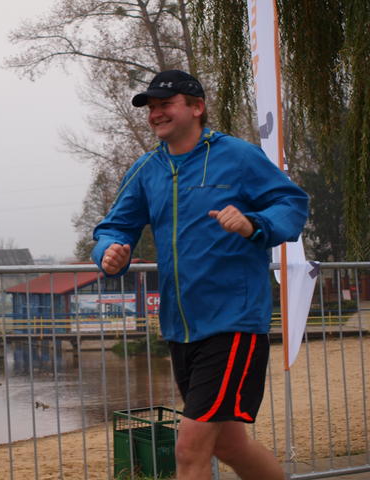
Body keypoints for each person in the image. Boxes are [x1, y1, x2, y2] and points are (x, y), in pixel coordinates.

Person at [91, 69, 308, 480]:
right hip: (180, 328)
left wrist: (254, 223)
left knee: (189, 447)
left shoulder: (237, 156)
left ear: (196, 107)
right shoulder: (147, 169)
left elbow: (291, 204)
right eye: (151, 108)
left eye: (165, 105)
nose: (156, 114)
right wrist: (109, 252)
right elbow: (114, 227)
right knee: (229, 444)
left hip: (233, 322)